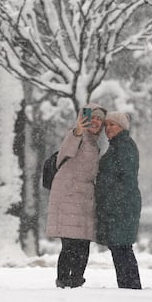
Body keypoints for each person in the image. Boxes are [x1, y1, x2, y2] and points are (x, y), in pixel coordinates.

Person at [46, 103, 107, 288]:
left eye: (99, 119)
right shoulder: (77, 136)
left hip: (83, 199)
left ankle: (76, 280)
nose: (96, 122)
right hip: (69, 196)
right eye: (93, 117)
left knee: (83, 244)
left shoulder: (94, 143)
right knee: (71, 243)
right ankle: (64, 280)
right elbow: (66, 150)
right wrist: (78, 130)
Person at [96, 111, 142, 289]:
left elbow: (125, 178)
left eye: (112, 125)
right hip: (118, 205)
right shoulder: (117, 145)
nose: (108, 128)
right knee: (120, 248)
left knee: (121, 248)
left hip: (121, 206)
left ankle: (130, 287)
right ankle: (128, 286)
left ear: (122, 127)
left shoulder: (124, 147)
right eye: (106, 125)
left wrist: (111, 198)